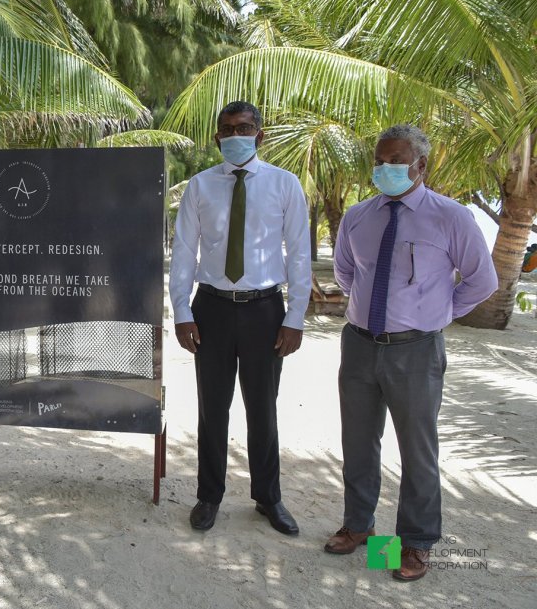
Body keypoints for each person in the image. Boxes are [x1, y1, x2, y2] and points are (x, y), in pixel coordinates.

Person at [327, 124, 497, 581]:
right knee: (359, 442)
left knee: (417, 449)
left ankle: (415, 543)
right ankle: (361, 527)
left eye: (395, 162)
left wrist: (437, 314)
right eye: (379, 162)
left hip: (416, 350)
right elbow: (347, 274)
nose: (385, 169)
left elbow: (482, 281)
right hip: (360, 345)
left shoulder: (451, 217)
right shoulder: (358, 216)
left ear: (421, 166)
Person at [170, 101, 312, 535]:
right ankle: (208, 497)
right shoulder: (199, 186)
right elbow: (183, 254)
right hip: (210, 308)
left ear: (260, 135)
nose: (235, 136)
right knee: (212, 410)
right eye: (227, 130)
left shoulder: (285, 186)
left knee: (262, 410)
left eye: (244, 128)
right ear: (217, 137)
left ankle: (268, 498)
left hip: (265, 311)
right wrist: (181, 310)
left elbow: (300, 254)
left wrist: (296, 317)